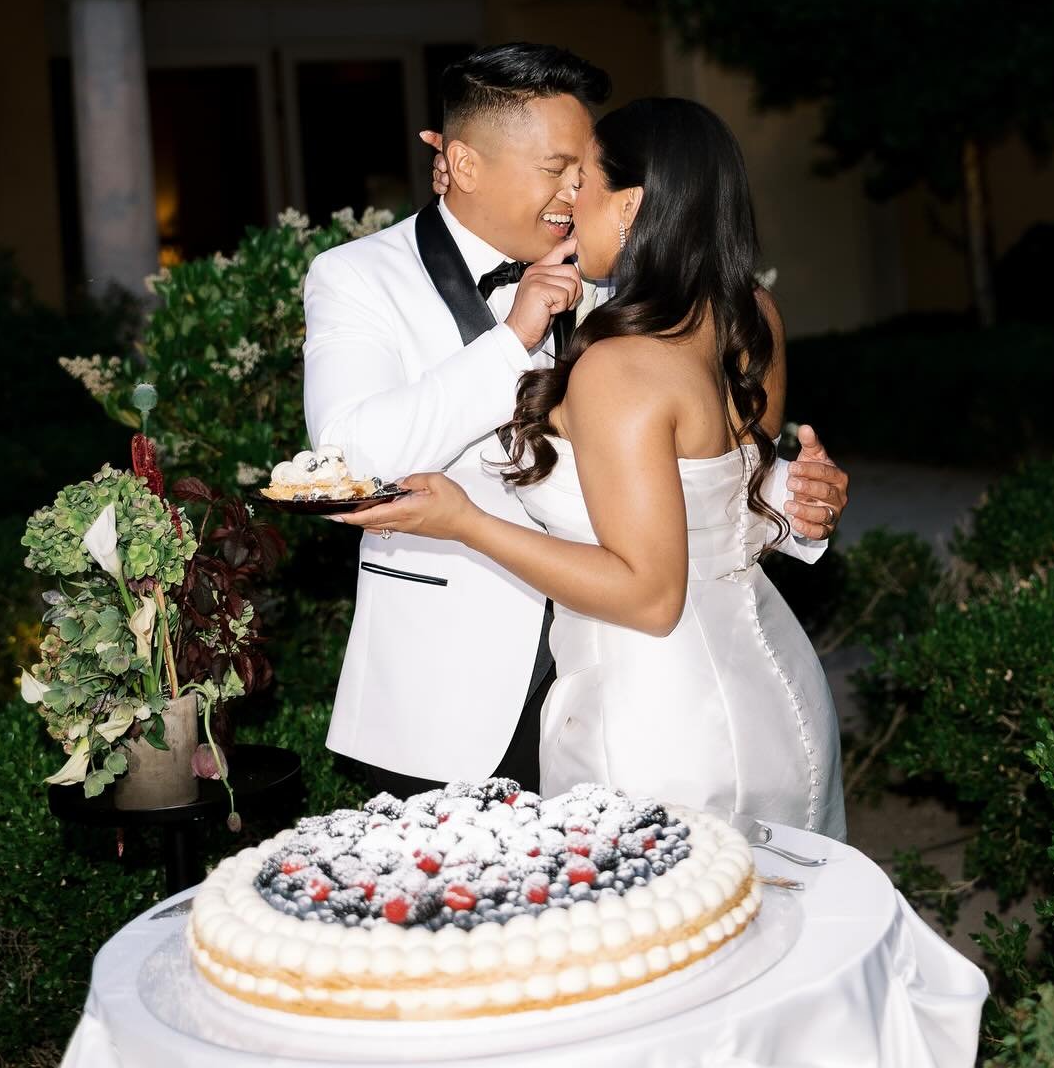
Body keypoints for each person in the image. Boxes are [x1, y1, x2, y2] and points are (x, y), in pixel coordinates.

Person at [304, 43, 850, 803]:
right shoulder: (358, 276)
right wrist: (512, 341)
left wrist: (793, 501)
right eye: (556, 168)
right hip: (447, 695)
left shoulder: (616, 274)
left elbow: (675, 453)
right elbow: (349, 458)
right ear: (463, 166)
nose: (571, 193)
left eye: (583, 171)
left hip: (630, 681)